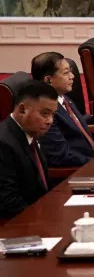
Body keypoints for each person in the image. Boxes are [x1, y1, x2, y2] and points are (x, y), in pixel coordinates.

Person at [0, 81, 58, 219]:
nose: (50, 121)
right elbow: (8, 202)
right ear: (22, 110)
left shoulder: (31, 133)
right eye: (45, 114)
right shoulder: (3, 143)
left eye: (53, 114)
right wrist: (43, 218)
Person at [31, 52, 94, 167]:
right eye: (66, 73)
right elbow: (61, 156)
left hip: (92, 159)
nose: (72, 76)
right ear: (48, 80)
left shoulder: (63, 98)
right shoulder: (46, 113)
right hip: (77, 172)